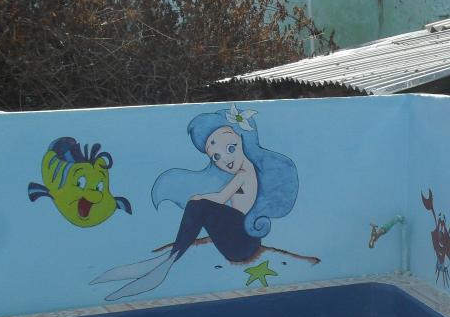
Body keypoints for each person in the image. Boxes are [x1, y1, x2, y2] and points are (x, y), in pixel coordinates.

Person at [92, 105, 298, 300]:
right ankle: (171, 257)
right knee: (198, 205)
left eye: (231, 147)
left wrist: (198, 198)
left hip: (243, 245)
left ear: (242, 138)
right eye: (215, 156)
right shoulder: (243, 171)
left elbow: (221, 198)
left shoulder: (245, 172)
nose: (224, 159)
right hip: (241, 241)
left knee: (198, 205)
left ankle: (171, 257)